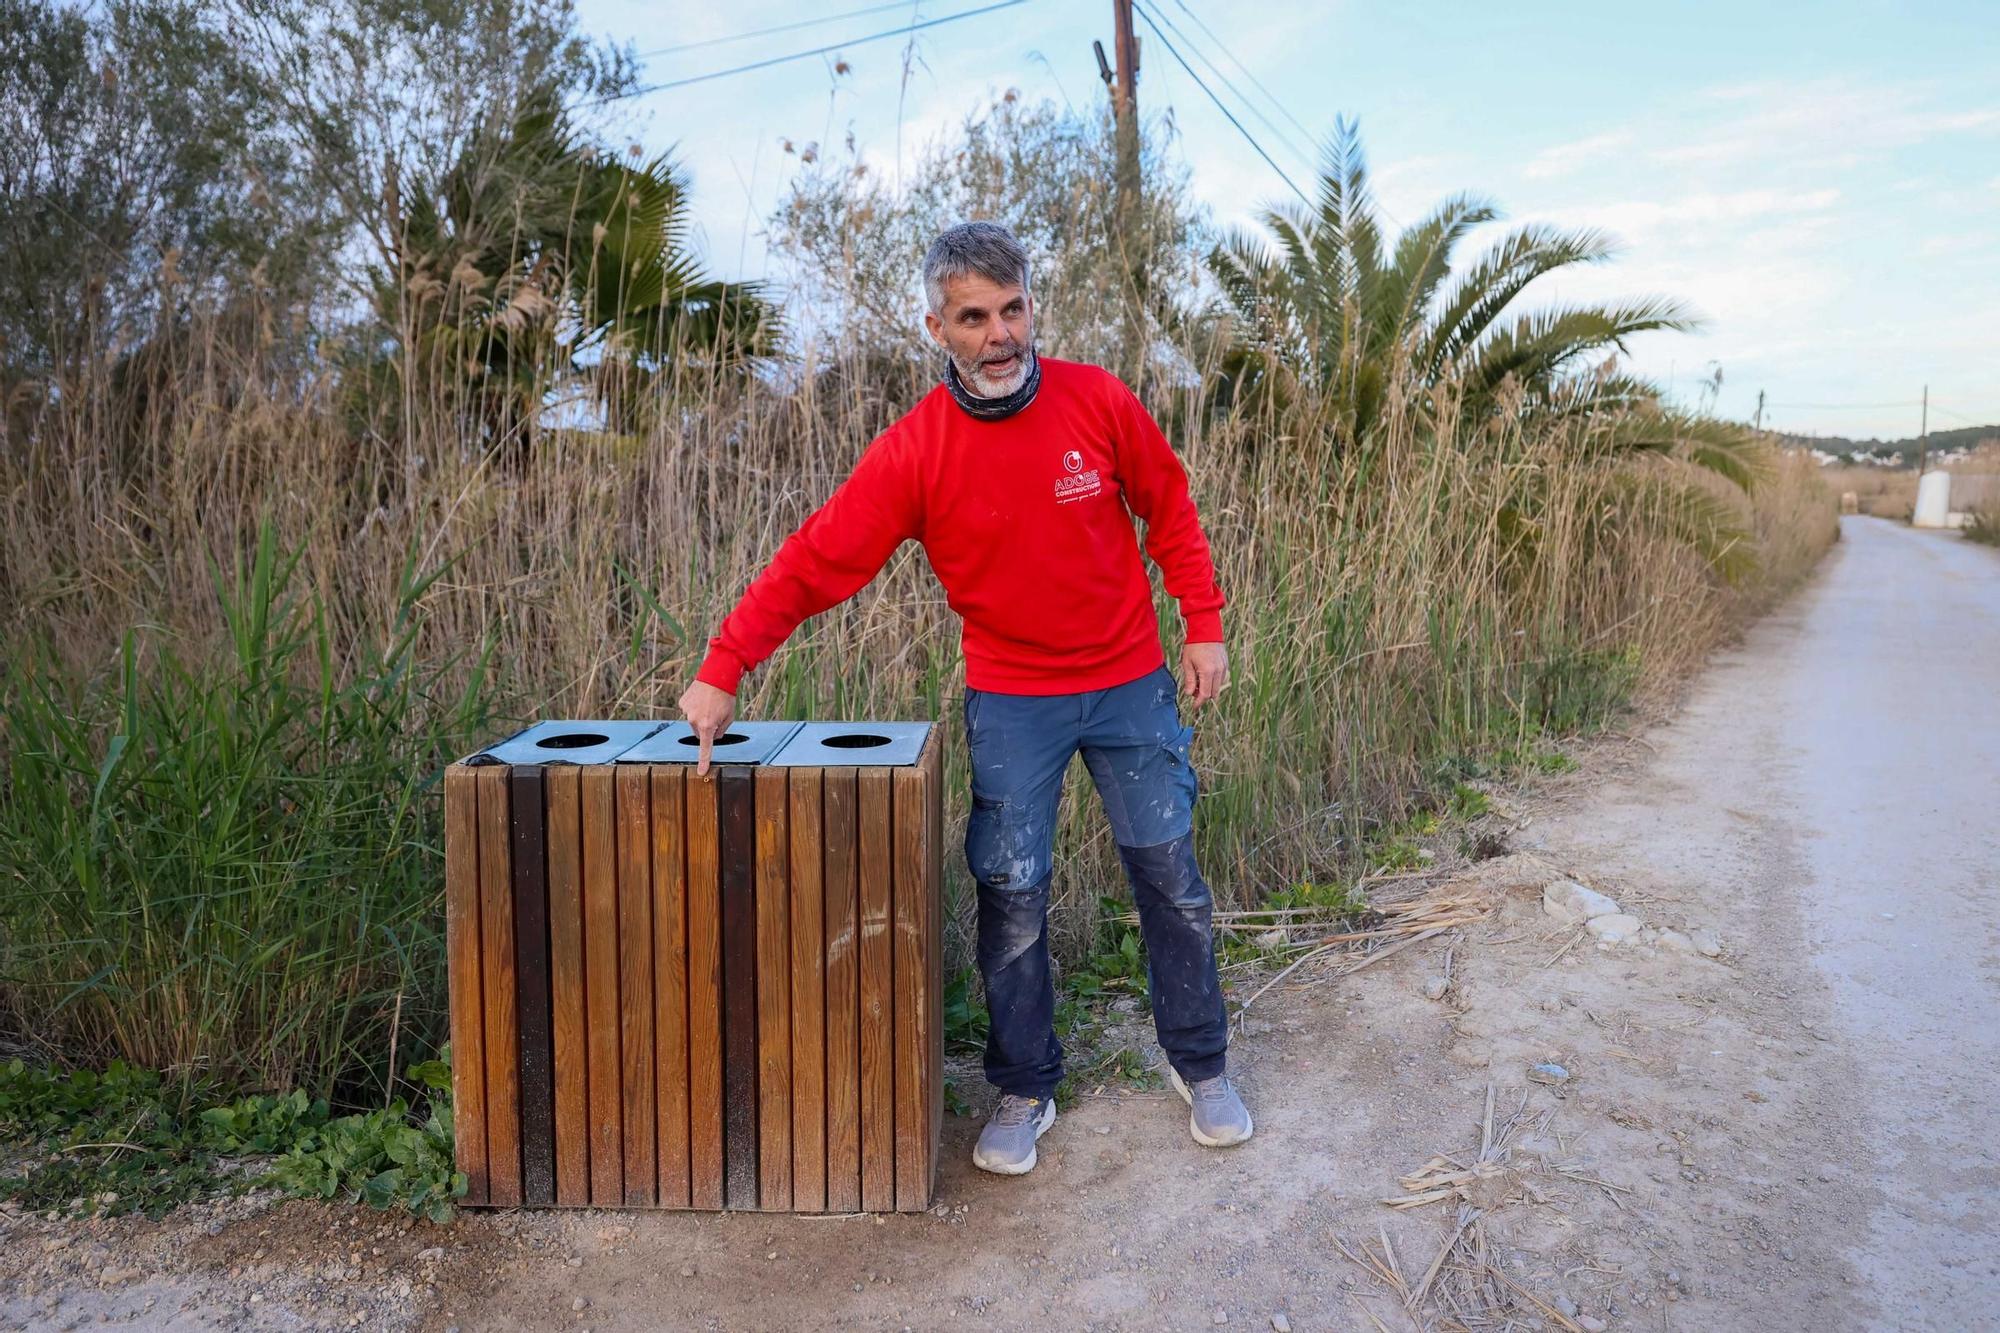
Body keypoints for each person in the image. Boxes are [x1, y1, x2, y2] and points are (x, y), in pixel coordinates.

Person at [677, 221, 1251, 1176]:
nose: (1001, 334)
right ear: (938, 326)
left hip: (1128, 684)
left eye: (1014, 309)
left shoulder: (1098, 400)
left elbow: (1169, 500)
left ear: (1035, 306)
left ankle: (1205, 1063)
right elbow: (819, 561)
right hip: (1012, 696)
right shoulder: (915, 451)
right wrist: (723, 663)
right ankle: (1025, 1085)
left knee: (1170, 878)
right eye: (975, 317)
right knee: (1013, 895)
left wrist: (1204, 620)